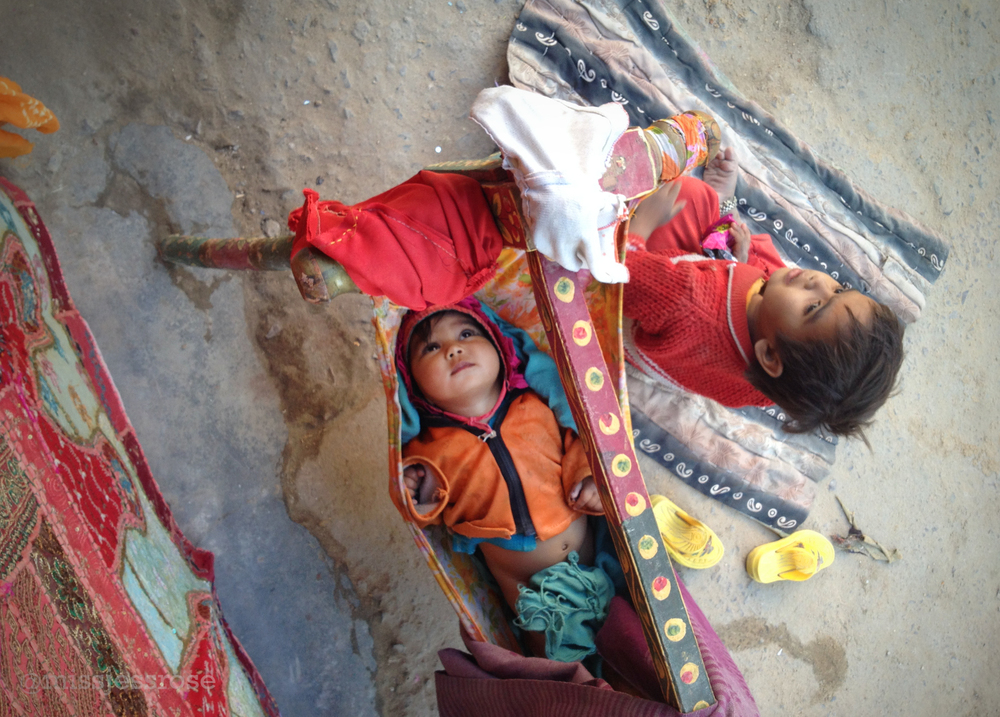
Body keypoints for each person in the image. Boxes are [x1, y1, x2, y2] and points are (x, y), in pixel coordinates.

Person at [623, 148, 905, 440]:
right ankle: (722, 222)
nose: (816, 281)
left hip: (638, 299)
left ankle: (716, 210)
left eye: (813, 307)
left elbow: (620, 276)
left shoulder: (686, 299)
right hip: (706, 314)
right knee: (773, 275)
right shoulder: (783, 385)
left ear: (769, 354)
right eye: (839, 289)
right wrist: (737, 263)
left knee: (688, 195)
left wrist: (643, 223)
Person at [390, 297, 616, 661]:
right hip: (536, 602)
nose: (453, 349)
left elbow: (580, 439)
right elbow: (425, 512)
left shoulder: (535, 406)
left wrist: (588, 475)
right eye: (431, 347)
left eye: (466, 333)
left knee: (624, 639)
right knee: (564, 673)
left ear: (499, 345)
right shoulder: (426, 450)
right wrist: (417, 492)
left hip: (596, 566)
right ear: (411, 383)